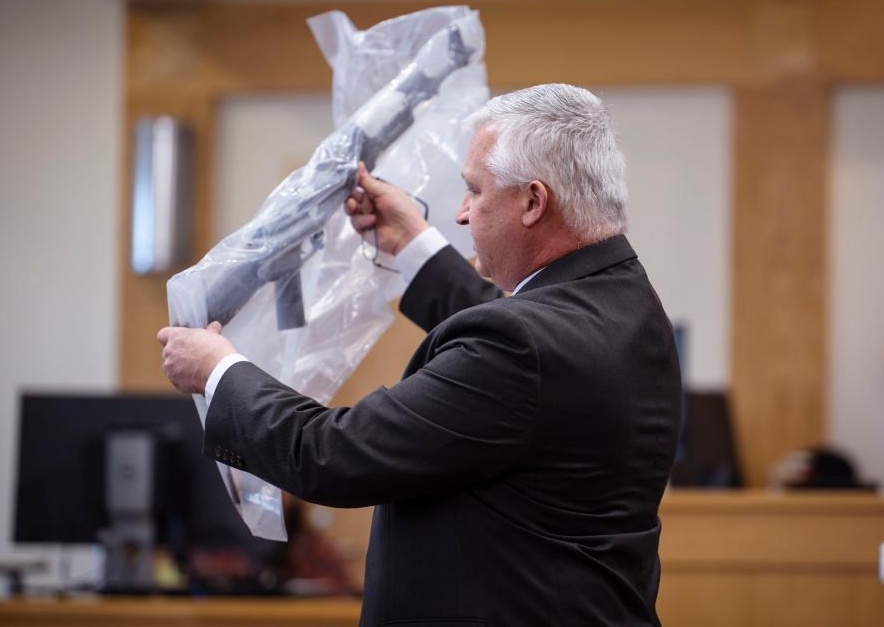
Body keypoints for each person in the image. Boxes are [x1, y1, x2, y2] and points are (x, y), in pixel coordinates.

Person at [158, 83, 681, 626]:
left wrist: (217, 370)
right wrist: (410, 244)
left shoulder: (526, 348)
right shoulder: (628, 306)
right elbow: (526, 343)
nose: (461, 214)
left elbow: (334, 456)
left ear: (532, 201)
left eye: (475, 192)